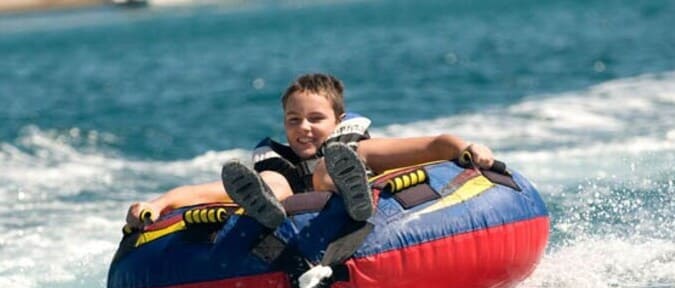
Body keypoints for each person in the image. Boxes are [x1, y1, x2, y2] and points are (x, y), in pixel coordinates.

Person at [126, 73, 495, 230]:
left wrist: (466, 149)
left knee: (334, 165)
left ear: (339, 119)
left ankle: (351, 190)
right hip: (287, 197)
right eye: (293, 120)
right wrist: (156, 205)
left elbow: (432, 145)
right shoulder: (279, 160)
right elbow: (201, 192)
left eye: (315, 118)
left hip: (344, 175)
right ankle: (266, 207)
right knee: (272, 179)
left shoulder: (355, 142)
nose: (303, 128)